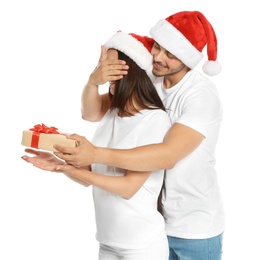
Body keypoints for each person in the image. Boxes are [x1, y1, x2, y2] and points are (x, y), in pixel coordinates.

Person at [47, 11, 225, 260]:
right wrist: (92, 82)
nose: (159, 58)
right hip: (152, 221)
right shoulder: (150, 79)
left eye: (171, 55)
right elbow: (93, 112)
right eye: (158, 47)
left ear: (187, 57)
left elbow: (167, 155)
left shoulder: (200, 94)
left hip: (193, 225)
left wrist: (94, 155)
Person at [22, 31, 171, 260]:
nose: (103, 69)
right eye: (102, 64)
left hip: (142, 245)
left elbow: (128, 187)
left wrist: (73, 168)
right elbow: (94, 171)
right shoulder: (112, 112)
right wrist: (61, 165)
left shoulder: (155, 120)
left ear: (130, 71)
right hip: (108, 241)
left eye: (110, 65)